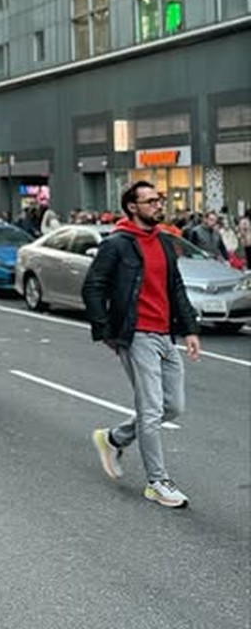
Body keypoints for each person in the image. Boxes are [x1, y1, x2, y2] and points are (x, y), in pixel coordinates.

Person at [83, 181, 201, 508]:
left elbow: (175, 287)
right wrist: (106, 331)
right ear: (132, 207)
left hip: (166, 335)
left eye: (158, 200)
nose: (157, 205)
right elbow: (92, 287)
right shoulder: (117, 244)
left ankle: (113, 438)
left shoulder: (164, 241)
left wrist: (189, 329)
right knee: (150, 411)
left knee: (173, 406)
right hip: (137, 335)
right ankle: (157, 482)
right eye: (150, 201)